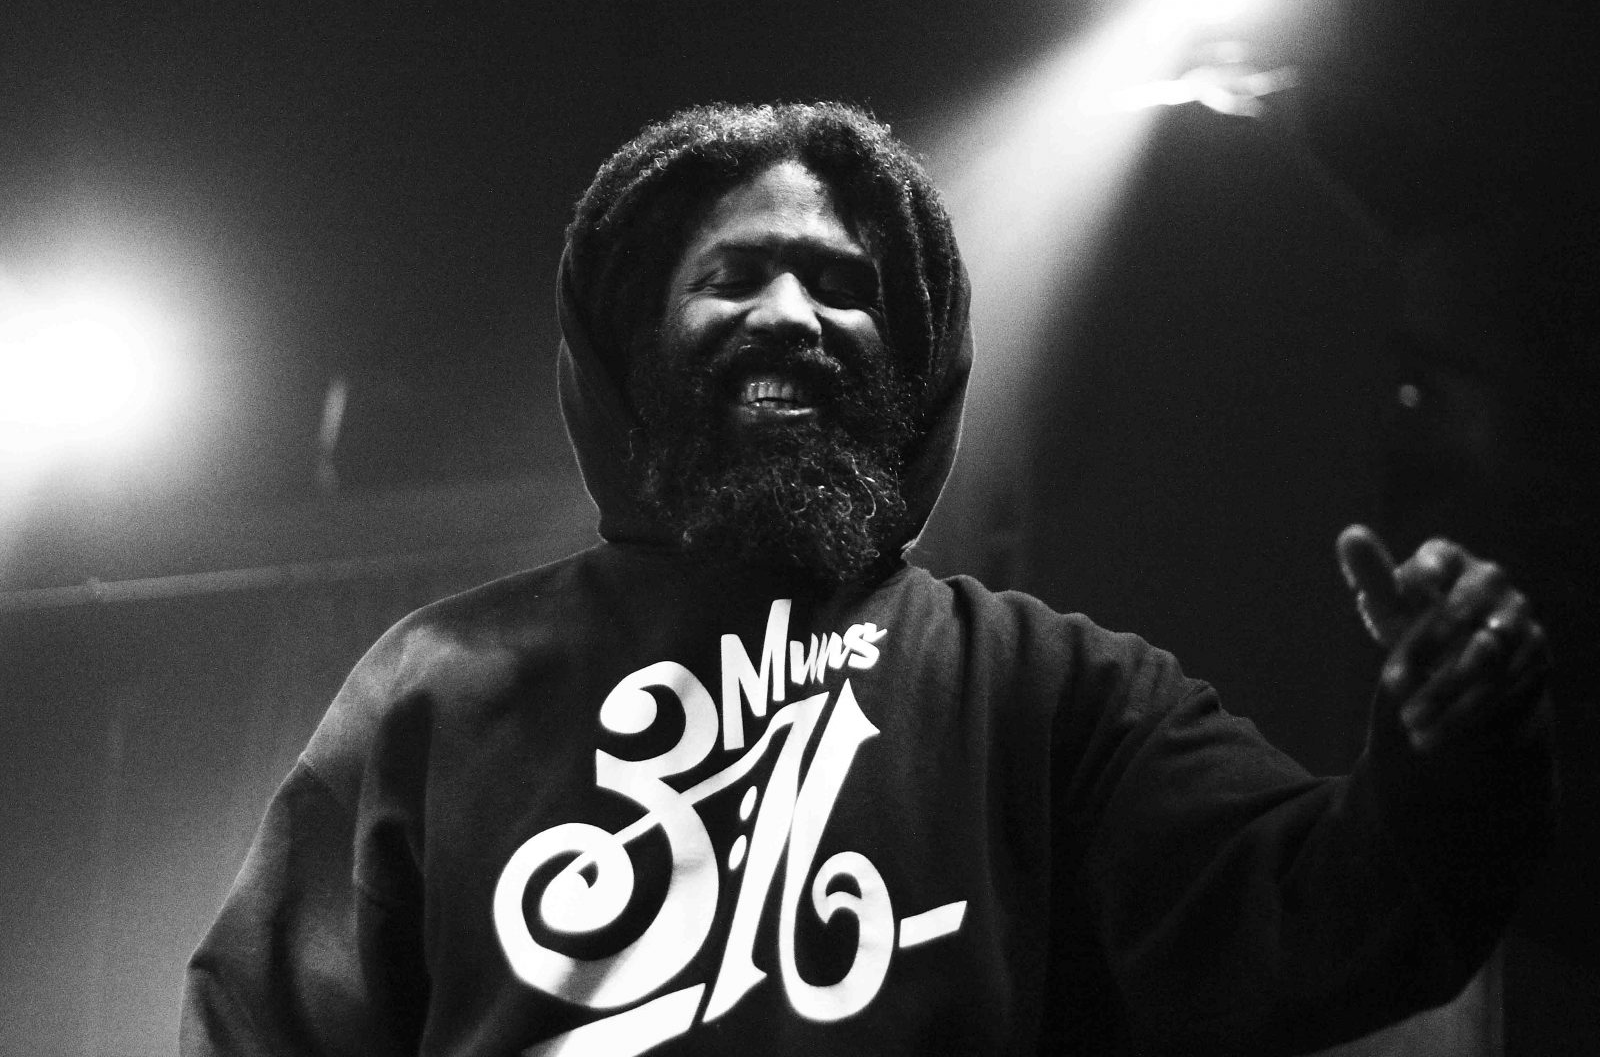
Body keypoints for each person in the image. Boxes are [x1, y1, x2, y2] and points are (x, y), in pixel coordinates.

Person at [181, 102, 1554, 1056]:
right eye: (735, 275)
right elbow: (267, 1025)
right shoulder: (441, 684)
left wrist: (1449, 750)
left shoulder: (1045, 689)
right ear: (632, 348)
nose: (792, 314)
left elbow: (1323, 914)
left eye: (841, 286)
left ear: (909, 364)